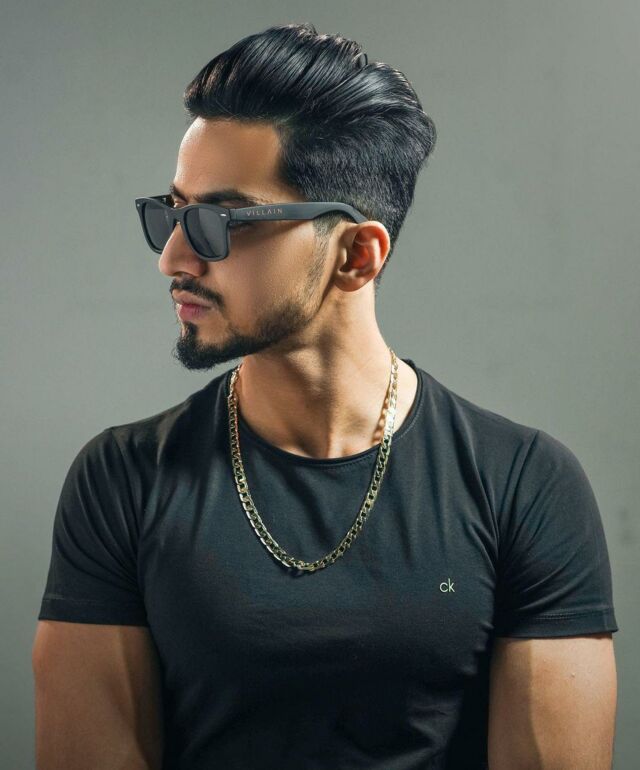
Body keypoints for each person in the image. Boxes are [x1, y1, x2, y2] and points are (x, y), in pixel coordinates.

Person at [32, 22, 618, 770]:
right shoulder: (123, 481)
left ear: (355, 256)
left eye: (216, 223)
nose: (173, 257)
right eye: (172, 214)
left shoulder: (523, 485)